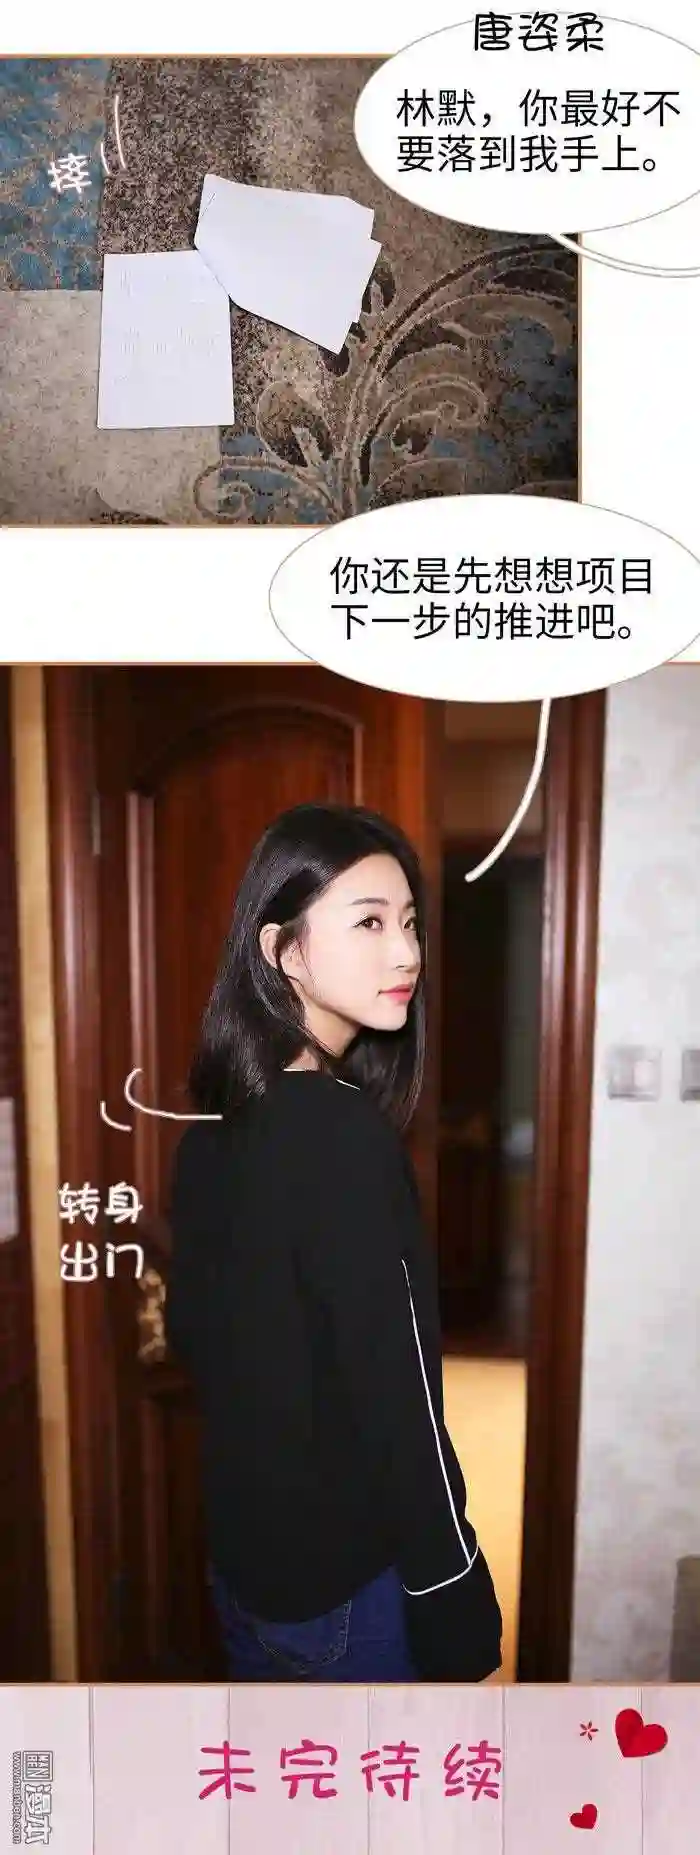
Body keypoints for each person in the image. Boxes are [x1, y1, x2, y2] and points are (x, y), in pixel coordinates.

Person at [166, 801, 502, 1683]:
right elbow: (402, 1398)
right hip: (348, 1589)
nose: (408, 953)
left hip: (248, 1571)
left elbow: (199, 1342)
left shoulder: (213, 1127)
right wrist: (453, 1580)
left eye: (410, 922)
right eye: (370, 922)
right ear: (282, 950)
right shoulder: (341, 1134)